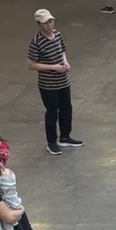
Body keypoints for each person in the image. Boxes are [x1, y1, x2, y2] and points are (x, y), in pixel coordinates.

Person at [27, 9, 84, 156]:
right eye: (45, 23)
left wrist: (65, 63)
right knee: (52, 113)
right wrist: (53, 67)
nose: (49, 25)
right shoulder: (36, 41)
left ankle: (65, 136)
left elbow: (62, 51)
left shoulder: (57, 35)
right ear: (39, 24)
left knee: (67, 109)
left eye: (50, 21)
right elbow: (31, 64)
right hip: (48, 85)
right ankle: (51, 142)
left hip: (63, 81)